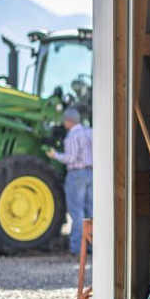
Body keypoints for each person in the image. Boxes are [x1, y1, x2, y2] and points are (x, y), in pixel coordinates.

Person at [47, 108, 93, 255]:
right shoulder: (89, 132)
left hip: (76, 174)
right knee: (89, 210)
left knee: (76, 211)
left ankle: (77, 248)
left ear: (68, 121)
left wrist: (55, 155)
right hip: (90, 173)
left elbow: (70, 158)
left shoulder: (72, 136)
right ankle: (91, 245)